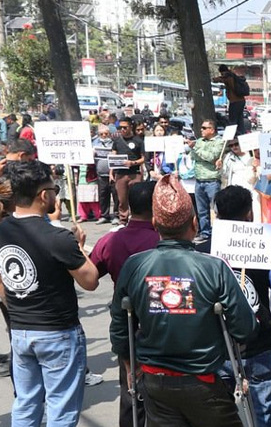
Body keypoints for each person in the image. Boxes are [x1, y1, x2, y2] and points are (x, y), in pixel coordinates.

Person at [109, 175, 257, 427]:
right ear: (195, 224)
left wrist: (127, 362)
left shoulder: (134, 265)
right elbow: (244, 328)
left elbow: (120, 325)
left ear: (154, 224)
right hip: (203, 381)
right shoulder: (214, 267)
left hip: (155, 381)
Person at [0, 160, 100, 426]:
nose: (55, 194)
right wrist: (79, 247)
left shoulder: (3, 229)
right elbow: (90, 280)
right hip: (57, 332)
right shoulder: (57, 237)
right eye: (54, 189)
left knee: (26, 403)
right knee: (61, 408)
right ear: (44, 195)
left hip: (21, 330)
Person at [197, 186, 271, 427]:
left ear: (217, 215)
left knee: (219, 418)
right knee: (266, 417)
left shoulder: (201, 252)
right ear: (249, 214)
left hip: (222, 347)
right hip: (247, 346)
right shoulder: (264, 247)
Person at [90, 181, 158, 426]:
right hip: (160, 322)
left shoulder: (110, 240)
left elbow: (90, 276)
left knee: (131, 392)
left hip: (128, 325)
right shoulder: (162, 240)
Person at [189, 119, 225, 242]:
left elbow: (211, 156)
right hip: (199, 180)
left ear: (212, 130)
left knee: (216, 208)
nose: (201, 130)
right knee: (201, 210)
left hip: (212, 180)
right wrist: (198, 151)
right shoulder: (199, 141)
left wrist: (197, 149)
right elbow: (193, 156)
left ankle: (219, 232)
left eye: (204, 128)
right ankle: (205, 232)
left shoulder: (219, 142)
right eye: (201, 127)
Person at [111, 116, 145, 225]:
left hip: (135, 174)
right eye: (120, 127)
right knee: (122, 200)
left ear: (130, 127)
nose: (122, 130)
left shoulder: (138, 140)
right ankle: (123, 221)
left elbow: (143, 158)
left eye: (125, 127)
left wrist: (133, 163)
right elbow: (113, 156)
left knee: (136, 199)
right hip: (120, 174)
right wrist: (111, 172)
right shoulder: (117, 140)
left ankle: (137, 220)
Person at [93, 124, 120, 224]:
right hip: (101, 174)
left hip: (113, 174)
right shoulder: (94, 143)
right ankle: (104, 215)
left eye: (106, 133)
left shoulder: (114, 143)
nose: (104, 135)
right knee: (103, 195)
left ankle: (116, 215)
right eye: (101, 134)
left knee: (116, 195)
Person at [212, 64, 248, 134]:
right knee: (240, 120)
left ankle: (232, 135)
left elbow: (219, 79)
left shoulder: (228, 77)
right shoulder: (233, 75)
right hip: (241, 100)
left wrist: (214, 79)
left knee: (232, 120)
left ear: (222, 71)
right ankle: (241, 134)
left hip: (235, 101)